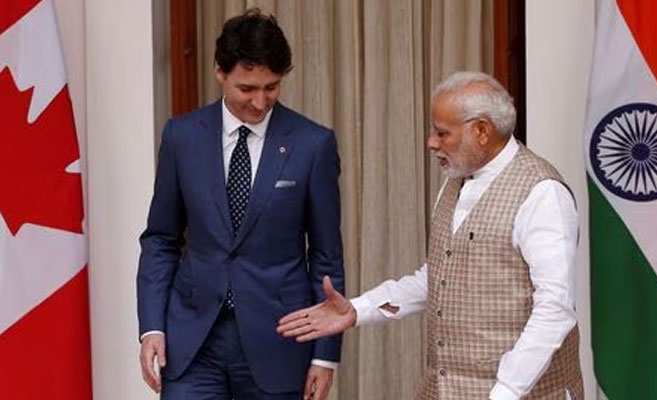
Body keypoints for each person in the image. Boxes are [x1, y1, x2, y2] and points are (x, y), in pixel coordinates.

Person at [278, 71, 584, 400]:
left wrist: (506, 392)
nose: (431, 143)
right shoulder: (455, 181)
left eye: (441, 133)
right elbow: (440, 277)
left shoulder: (541, 193)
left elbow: (554, 309)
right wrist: (358, 309)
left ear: (481, 131)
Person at [137, 9, 344, 400]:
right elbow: (161, 240)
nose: (260, 101)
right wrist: (152, 328)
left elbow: (326, 256)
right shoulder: (181, 137)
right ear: (220, 72)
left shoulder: (312, 144)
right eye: (247, 88)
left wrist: (325, 357)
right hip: (192, 341)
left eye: (271, 87)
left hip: (279, 340)